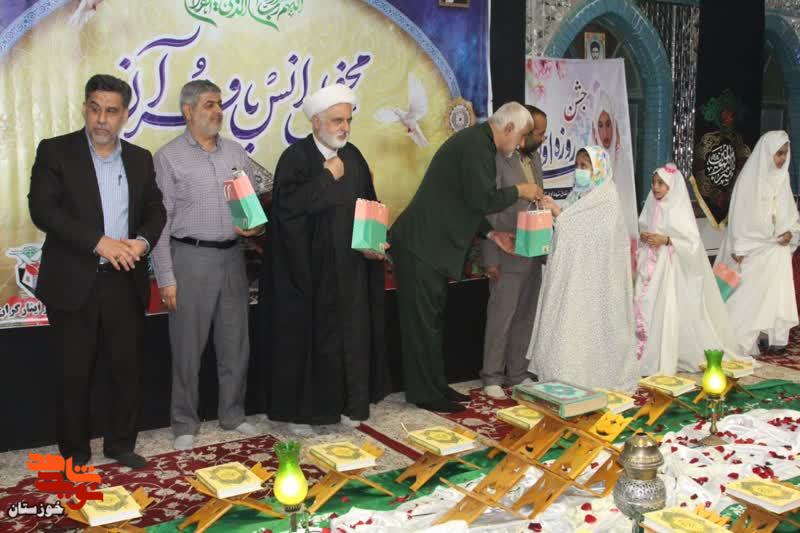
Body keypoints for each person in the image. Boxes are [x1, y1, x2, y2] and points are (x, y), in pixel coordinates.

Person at [28, 74, 166, 468]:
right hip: (74, 280)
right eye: (95, 109)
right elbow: (43, 210)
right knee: (74, 373)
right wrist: (98, 242)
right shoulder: (55, 151)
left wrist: (141, 242)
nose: (101, 119)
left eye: (111, 111)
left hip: (124, 279)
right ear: (85, 108)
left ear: (125, 115)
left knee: (125, 370)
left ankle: (120, 444)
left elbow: (155, 209)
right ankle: (75, 452)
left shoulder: (139, 158)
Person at [390, 102, 544, 413]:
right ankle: (424, 393)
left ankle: (435, 386)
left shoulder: (479, 143)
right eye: (521, 136)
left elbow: (466, 202)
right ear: (509, 128)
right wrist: (520, 190)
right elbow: (482, 199)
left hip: (431, 247)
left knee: (432, 322)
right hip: (421, 244)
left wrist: (493, 234)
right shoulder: (477, 146)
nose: (520, 144)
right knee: (422, 325)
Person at [263, 83, 390, 435]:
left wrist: (374, 242)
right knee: (311, 341)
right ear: (316, 122)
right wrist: (325, 176)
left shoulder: (354, 157)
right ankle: (305, 413)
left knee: (352, 336)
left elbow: (370, 204)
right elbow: (286, 211)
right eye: (337, 121)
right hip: (309, 273)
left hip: (351, 268)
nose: (344, 127)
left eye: (348, 120)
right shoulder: (296, 158)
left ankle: (352, 405)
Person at [151, 80, 265, 451]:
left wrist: (254, 225)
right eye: (209, 105)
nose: (218, 111)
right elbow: (160, 224)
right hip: (190, 258)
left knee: (236, 344)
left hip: (233, 257)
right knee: (187, 347)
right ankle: (184, 422)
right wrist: (166, 277)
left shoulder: (235, 152)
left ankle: (232, 414)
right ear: (188, 111)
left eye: (219, 104)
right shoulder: (168, 158)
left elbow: (251, 208)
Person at [526, 146, 638, 392]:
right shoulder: (579, 194)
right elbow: (571, 224)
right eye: (577, 166)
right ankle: (558, 375)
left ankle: (586, 378)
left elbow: (594, 235)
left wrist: (559, 214)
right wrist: (556, 211)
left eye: (585, 166)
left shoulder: (607, 197)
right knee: (568, 325)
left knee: (588, 329)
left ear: (599, 169)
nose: (580, 171)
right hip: (573, 277)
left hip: (595, 282)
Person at [635, 164, 745, 375]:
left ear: (671, 187)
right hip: (651, 264)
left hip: (671, 269)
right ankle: (646, 349)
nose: (656, 188)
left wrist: (667, 240)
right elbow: (644, 226)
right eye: (654, 183)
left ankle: (668, 352)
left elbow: (692, 243)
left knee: (668, 309)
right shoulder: (651, 204)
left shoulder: (679, 208)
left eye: (661, 184)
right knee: (649, 306)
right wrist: (644, 235)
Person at [480, 105, 547, 399]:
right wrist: (490, 257)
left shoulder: (535, 159)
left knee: (525, 315)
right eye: (538, 133)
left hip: (533, 249)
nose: (541, 139)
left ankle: (517, 372)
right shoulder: (498, 159)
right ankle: (492, 375)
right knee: (501, 317)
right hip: (505, 250)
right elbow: (487, 208)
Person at [715, 131, 800, 355]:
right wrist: (740, 247)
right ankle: (733, 335)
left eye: (785, 153)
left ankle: (772, 337)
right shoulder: (749, 179)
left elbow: (790, 215)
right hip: (751, 247)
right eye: (778, 153)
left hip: (776, 248)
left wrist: (790, 233)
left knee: (776, 293)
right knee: (747, 295)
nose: (782, 158)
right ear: (766, 153)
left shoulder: (782, 178)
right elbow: (739, 217)